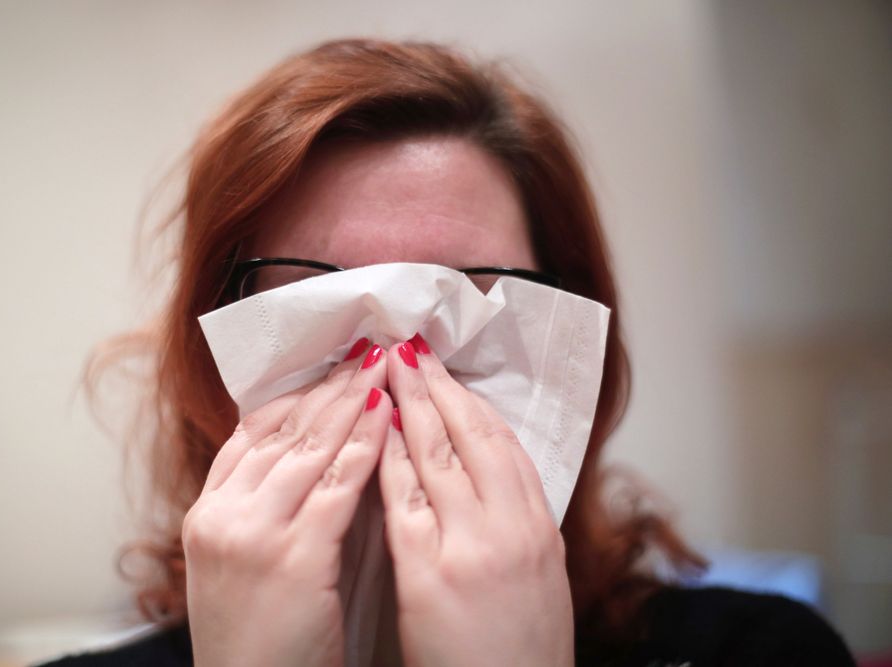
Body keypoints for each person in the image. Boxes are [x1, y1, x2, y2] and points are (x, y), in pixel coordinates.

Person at [44, 38, 855, 666]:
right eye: (321, 296)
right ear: (212, 353)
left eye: (466, 298)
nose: (397, 357)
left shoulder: (763, 652)